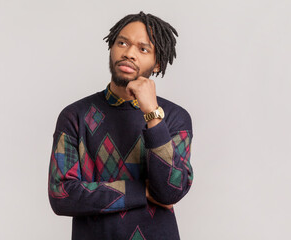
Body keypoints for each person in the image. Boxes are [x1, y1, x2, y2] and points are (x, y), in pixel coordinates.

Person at [48, 11, 194, 240]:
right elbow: (61, 195)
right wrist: (141, 191)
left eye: (143, 49)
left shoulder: (175, 118)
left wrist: (152, 115)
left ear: (157, 64)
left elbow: (169, 191)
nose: (129, 53)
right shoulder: (75, 116)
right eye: (122, 43)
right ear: (111, 47)